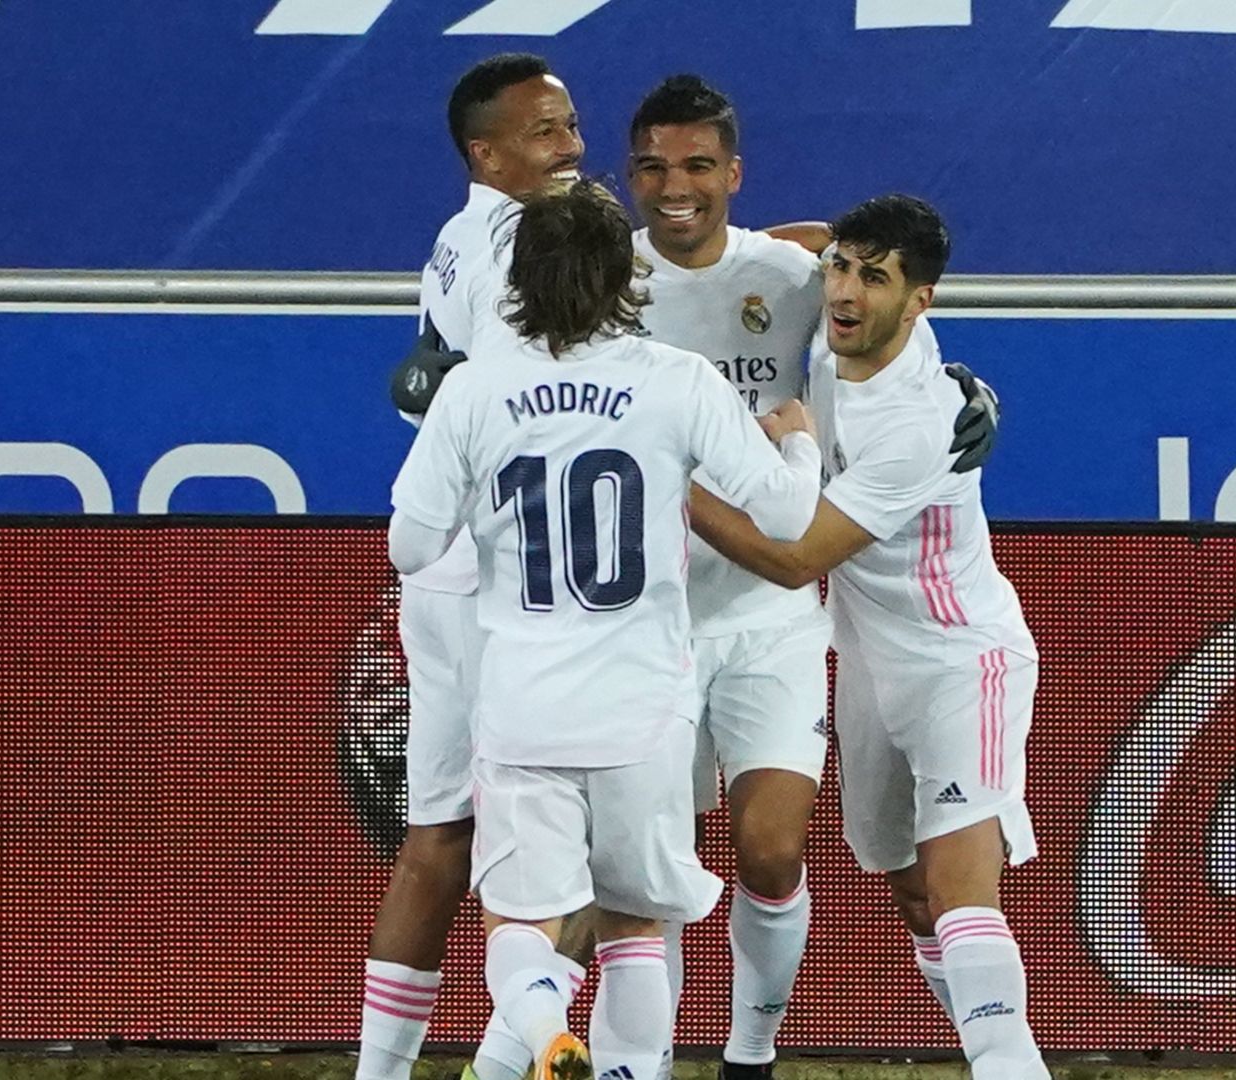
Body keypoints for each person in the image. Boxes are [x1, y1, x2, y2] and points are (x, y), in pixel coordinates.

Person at [387, 179, 826, 1080]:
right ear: (625, 276)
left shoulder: (476, 390)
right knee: (635, 922)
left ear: (520, 279)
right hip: (641, 707)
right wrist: (798, 437)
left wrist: (479, 493)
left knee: (520, 920)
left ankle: (548, 1029)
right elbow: (785, 516)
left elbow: (410, 546)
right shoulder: (677, 381)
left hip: (521, 705)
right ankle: (626, 1069)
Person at [624, 75, 1001, 1080]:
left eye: (699, 165)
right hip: (643, 618)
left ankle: (750, 1056)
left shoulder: (784, 269)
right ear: (630, 175)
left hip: (771, 614)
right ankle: (644, 1062)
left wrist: (954, 373)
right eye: (656, 166)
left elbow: (876, 270)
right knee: (652, 871)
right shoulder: (602, 281)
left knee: (772, 853)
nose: (678, 187)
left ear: (733, 174)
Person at [687, 195, 1050, 1080]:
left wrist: (668, 469)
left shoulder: (921, 424)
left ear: (919, 300)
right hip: (866, 665)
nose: (844, 290)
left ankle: (1011, 1064)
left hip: (964, 659)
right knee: (918, 896)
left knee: (963, 890)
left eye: (872, 278)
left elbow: (796, 556)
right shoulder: (835, 313)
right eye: (842, 268)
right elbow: (789, 243)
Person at [357, 52, 584, 1080]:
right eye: (545, 132)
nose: (572, 146)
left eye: (572, 123)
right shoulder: (520, 249)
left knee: (436, 838)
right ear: (485, 153)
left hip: (443, 580)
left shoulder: (461, 236)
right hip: (513, 590)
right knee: (578, 859)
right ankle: (509, 1065)